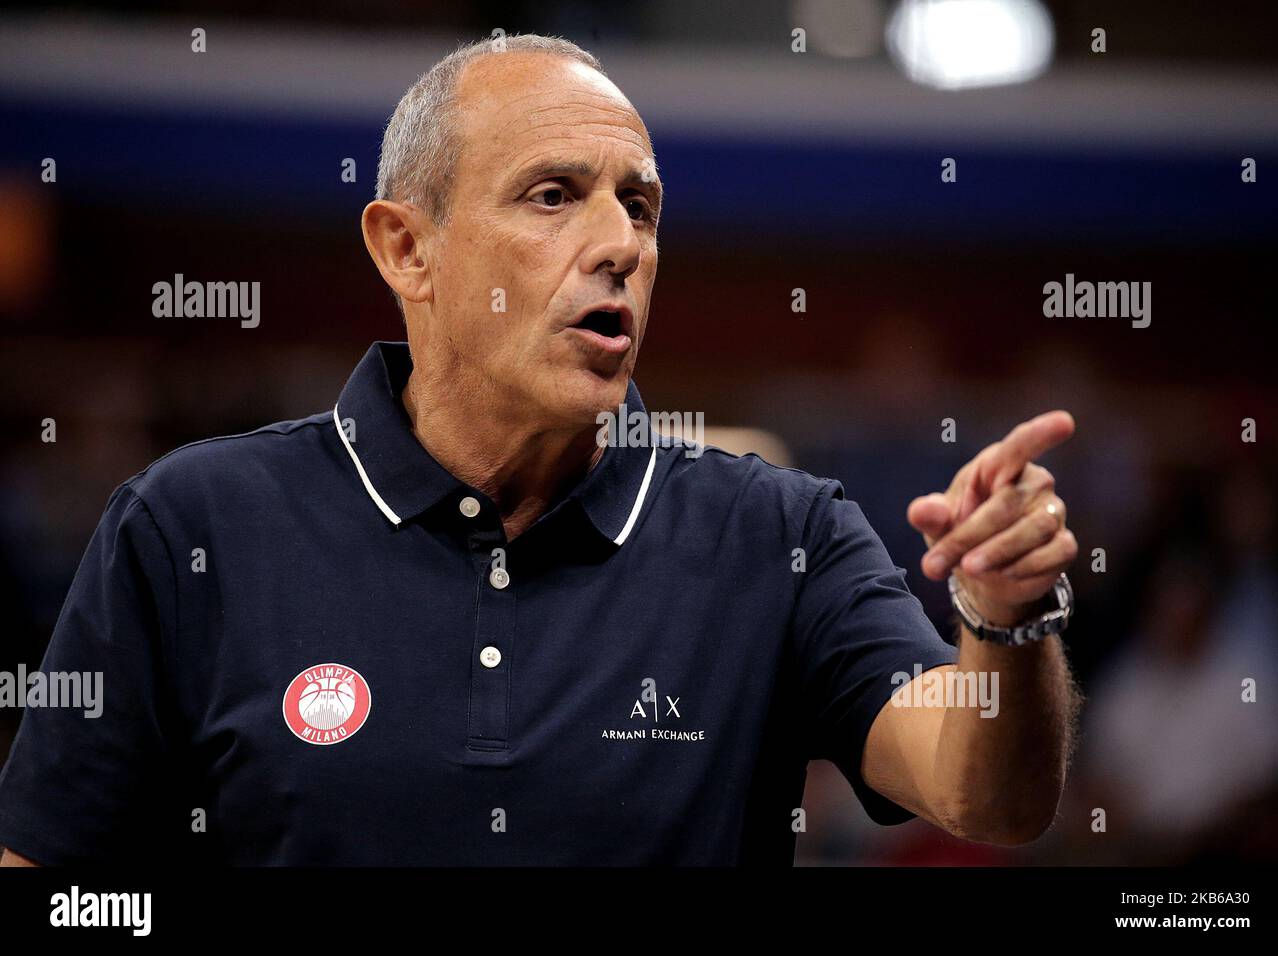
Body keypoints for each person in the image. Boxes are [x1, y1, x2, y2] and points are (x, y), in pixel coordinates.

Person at [0, 34, 1080, 866]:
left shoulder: (784, 536)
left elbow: (992, 795)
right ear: (407, 248)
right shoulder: (192, 526)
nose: (619, 243)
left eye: (640, 207)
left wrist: (1005, 617)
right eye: (553, 195)